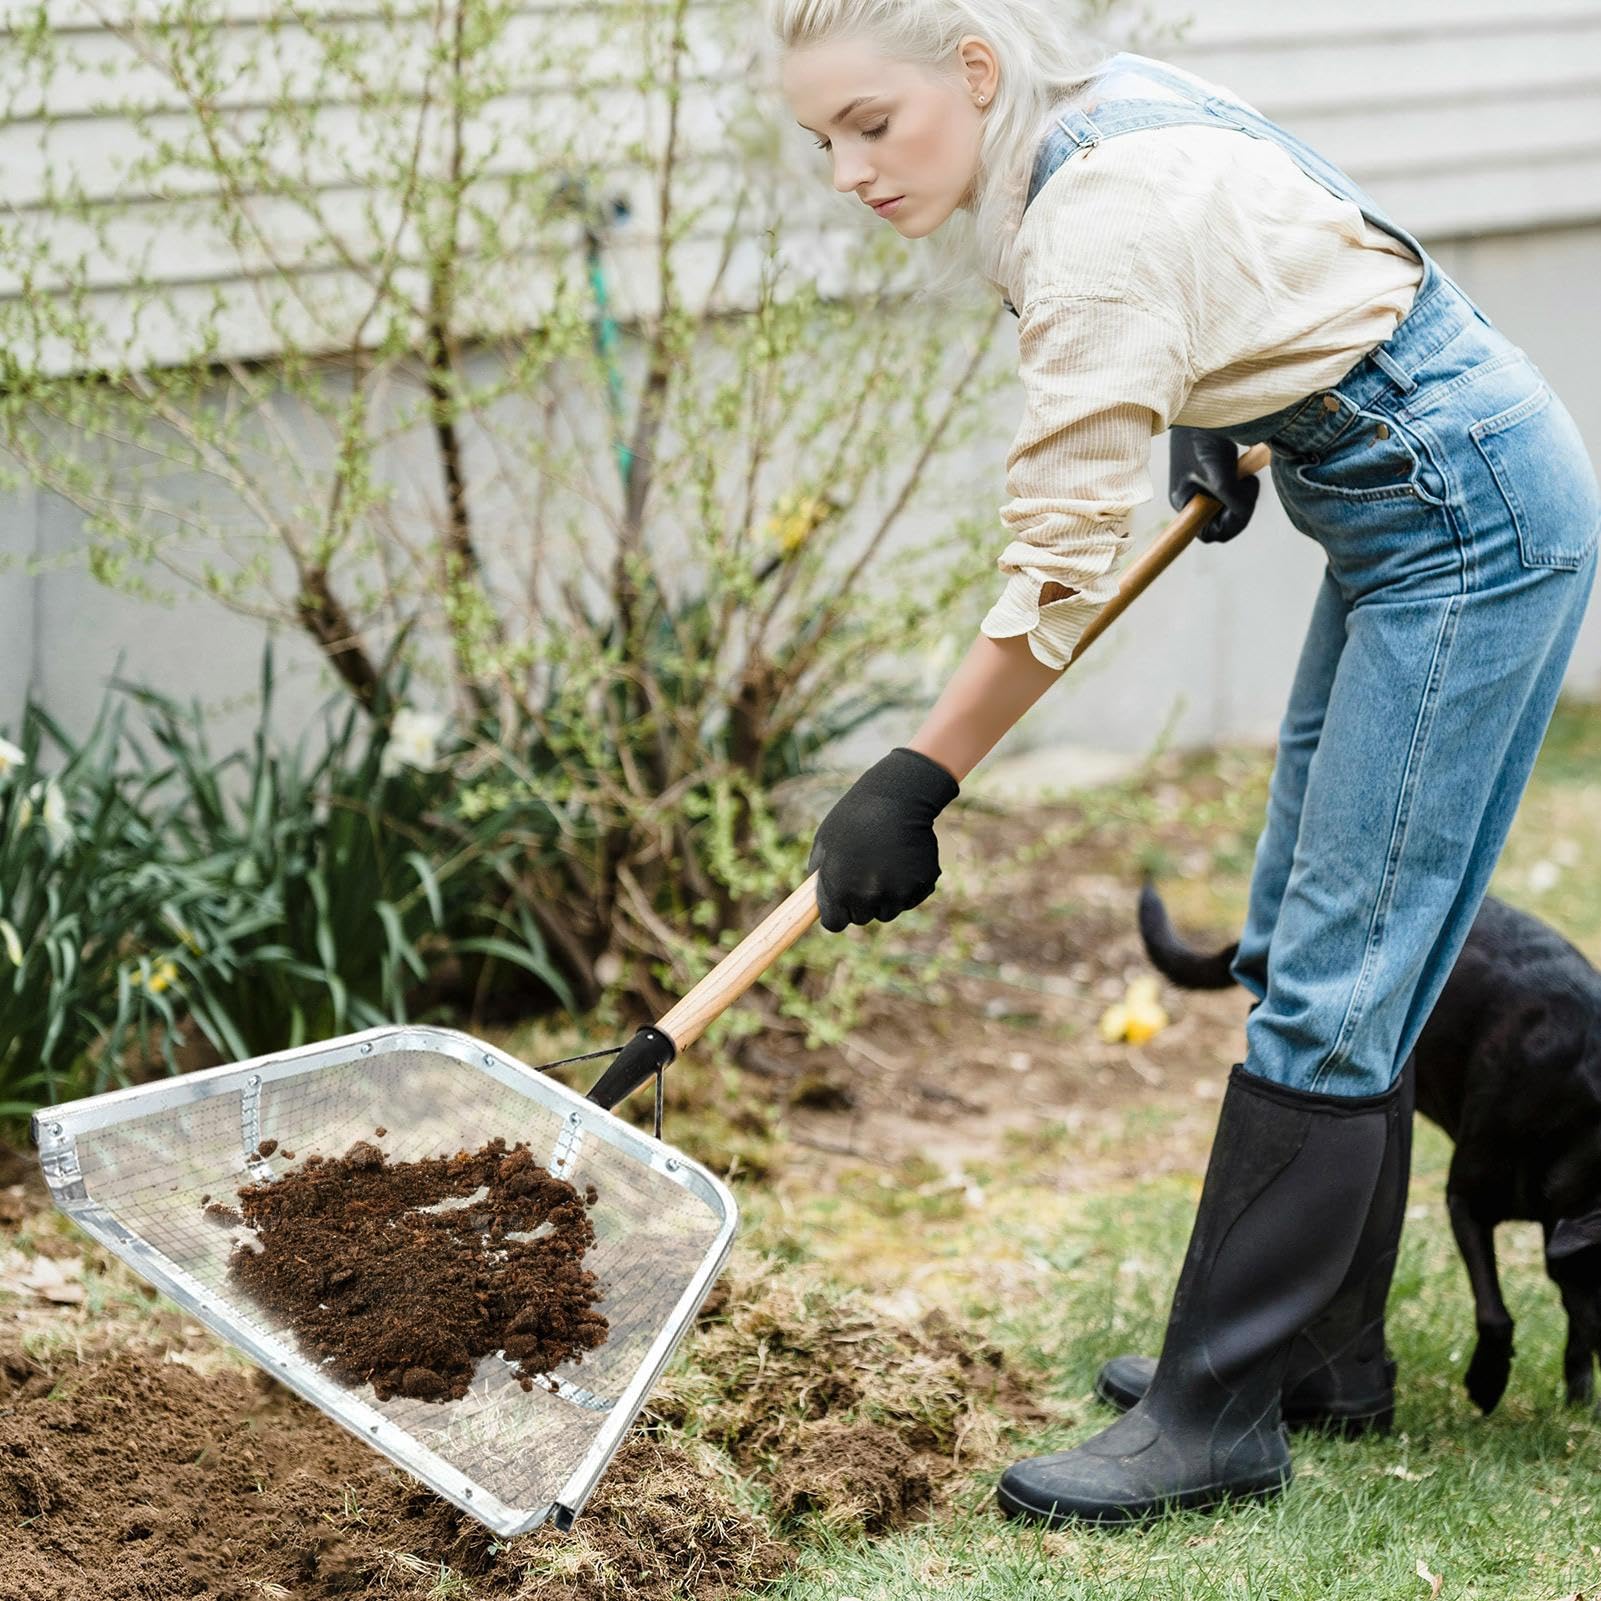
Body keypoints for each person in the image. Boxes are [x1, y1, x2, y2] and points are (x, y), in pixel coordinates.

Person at [769, 0, 1601, 1529]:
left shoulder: (1091, 215)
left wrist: (915, 771)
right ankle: (1319, 1356)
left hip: (1464, 524)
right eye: (819, 139)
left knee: (1344, 955)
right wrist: (1215, 409)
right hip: (1395, 495)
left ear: (970, 71)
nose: (846, 171)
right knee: (1300, 918)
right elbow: (1299, 228)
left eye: (868, 126)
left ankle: (1214, 1412)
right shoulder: (1093, 110)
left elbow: (1057, 574)